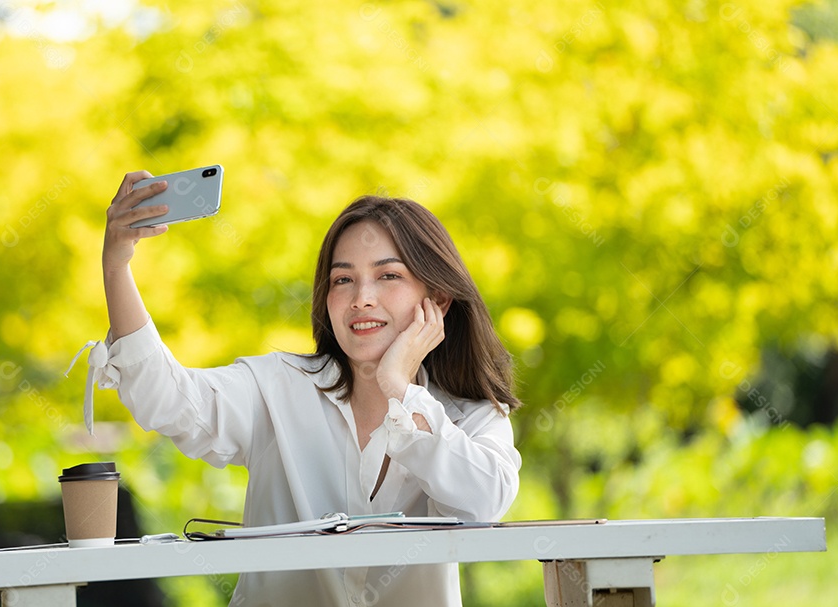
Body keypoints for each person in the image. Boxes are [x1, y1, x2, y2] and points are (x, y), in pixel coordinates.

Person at [82, 170, 523, 606]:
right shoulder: (275, 388)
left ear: (438, 301)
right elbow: (164, 398)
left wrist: (400, 389)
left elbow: (483, 504)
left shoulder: (473, 416)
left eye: (388, 276)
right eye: (342, 279)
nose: (361, 298)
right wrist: (116, 267)